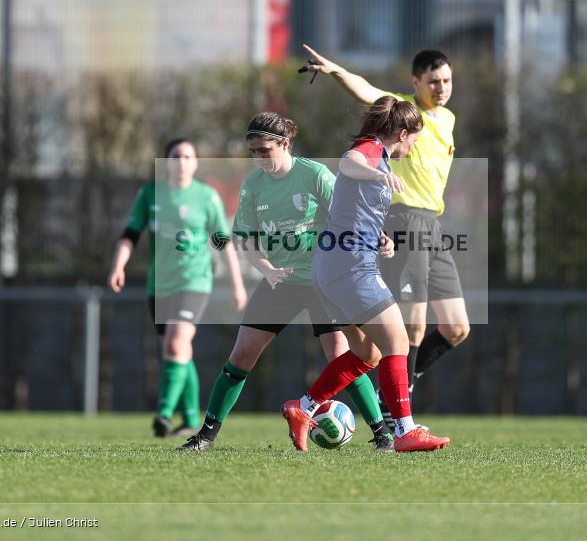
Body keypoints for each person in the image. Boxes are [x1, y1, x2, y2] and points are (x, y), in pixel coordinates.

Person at [178, 112, 394, 452]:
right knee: (243, 353)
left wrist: (379, 237)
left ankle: (383, 434)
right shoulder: (252, 186)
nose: (258, 158)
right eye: (253, 152)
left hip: (324, 278)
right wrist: (266, 269)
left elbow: (351, 212)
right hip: (280, 280)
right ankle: (204, 436)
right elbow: (247, 242)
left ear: (285, 144)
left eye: (264, 150)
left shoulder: (314, 174)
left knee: (340, 353)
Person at [301, 45, 471, 426]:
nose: (441, 88)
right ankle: (398, 413)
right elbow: (363, 89)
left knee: (457, 328)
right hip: (406, 218)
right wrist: (334, 71)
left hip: (433, 223)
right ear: (416, 82)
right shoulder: (402, 108)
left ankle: (397, 389)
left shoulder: (448, 119)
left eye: (446, 81)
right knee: (412, 325)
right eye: (433, 82)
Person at [282, 96, 450, 453]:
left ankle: (304, 406)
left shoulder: (380, 156)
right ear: (402, 133)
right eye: (414, 139)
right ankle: (404, 431)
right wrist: (378, 172)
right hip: (349, 268)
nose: (414, 146)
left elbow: (353, 210)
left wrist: (380, 239)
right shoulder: (371, 149)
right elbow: (349, 163)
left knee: (368, 353)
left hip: (333, 267)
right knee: (398, 343)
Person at [108, 137, 247, 438]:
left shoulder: (206, 197)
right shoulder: (150, 194)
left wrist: (238, 286)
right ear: (166, 162)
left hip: (195, 282)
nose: (181, 162)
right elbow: (130, 234)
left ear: (195, 163)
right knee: (178, 349)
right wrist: (119, 266)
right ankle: (188, 420)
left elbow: (224, 244)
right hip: (158, 286)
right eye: (175, 156)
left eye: (187, 156)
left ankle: (163, 413)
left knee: (175, 342)